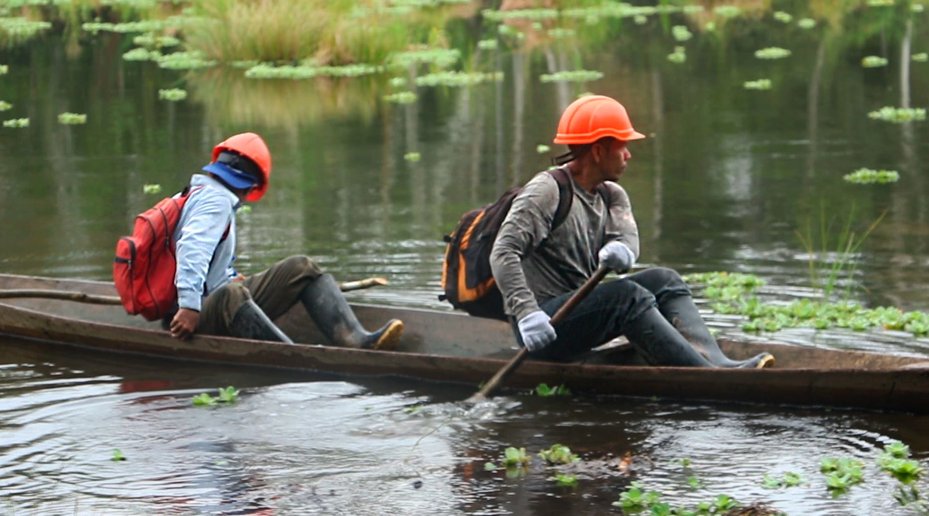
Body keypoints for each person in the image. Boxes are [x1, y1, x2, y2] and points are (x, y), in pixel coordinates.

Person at [489, 95, 773, 368]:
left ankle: (718, 363)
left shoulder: (611, 194)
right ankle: (703, 375)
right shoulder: (547, 191)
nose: (628, 154)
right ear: (598, 151)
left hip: (579, 311)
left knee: (666, 280)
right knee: (626, 296)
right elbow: (503, 252)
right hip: (543, 329)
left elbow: (627, 237)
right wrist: (527, 314)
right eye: (622, 146)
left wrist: (623, 250)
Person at [167, 132, 403, 350]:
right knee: (233, 295)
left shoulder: (200, 194)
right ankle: (294, 355)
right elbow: (192, 248)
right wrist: (189, 306)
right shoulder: (216, 201)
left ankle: (355, 340)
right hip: (184, 319)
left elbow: (208, 262)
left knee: (301, 268)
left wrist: (230, 277)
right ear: (250, 186)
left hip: (203, 303)